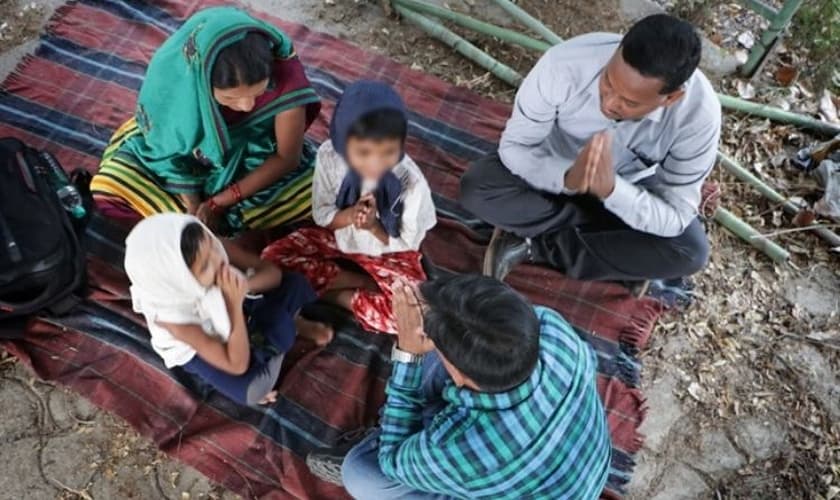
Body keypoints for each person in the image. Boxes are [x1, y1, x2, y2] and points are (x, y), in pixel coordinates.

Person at [459, 14, 719, 287]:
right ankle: (614, 248)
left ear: (671, 98)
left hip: (634, 187)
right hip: (552, 172)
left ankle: (533, 245)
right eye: (607, 82)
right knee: (479, 189)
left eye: (629, 102)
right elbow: (516, 148)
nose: (609, 103)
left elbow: (677, 215)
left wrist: (613, 191)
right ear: (617, 51)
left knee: (688, 253)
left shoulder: (698, 117)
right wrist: (568, 177)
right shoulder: (564, 65)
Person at [337, 274, 611, 499]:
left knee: (362, 473)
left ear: (460, 376)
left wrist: (409, 354)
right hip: (579, 472)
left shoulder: (453, 448)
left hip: (490, 463)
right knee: (439, 352)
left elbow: (390, 460)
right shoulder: (553, 329)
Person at [92, 7, 321, 234]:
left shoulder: (285, 78)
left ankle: (192, 227)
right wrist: (192, 203)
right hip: (182, 160)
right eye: (231, 97)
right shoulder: (179, 87)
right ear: (200, 86)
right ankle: (199, 227)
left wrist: (219, 202)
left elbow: (286, 158)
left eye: (258, 93)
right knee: (108, 186)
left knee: (319, 190)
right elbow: (167, 150)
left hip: (257, 164)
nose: (247, 105)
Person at [262, 81, 436, 334]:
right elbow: (323, 216)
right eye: (362, 153)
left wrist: (375, 227)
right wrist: (350, 217)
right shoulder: (330, 157)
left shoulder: (410, 182)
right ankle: (352, 283)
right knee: (271, 261)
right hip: (337, 235)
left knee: (415, 317)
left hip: (387, 249)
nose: (375, 163)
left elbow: (407, 242)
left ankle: (335, 295)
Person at [124, 213, 333, 406]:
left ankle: (286, 328)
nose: (218, 262)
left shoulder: (213, 247)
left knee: (293, 284)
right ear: (181, 282)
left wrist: (243, 288)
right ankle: (285, 331)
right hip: (208, 347)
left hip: (236, 301)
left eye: (213, 250)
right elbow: (237, 365)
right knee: (253, 390)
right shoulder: (176, 321)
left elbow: (272, 274)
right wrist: (232, 306)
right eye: (205, 266)